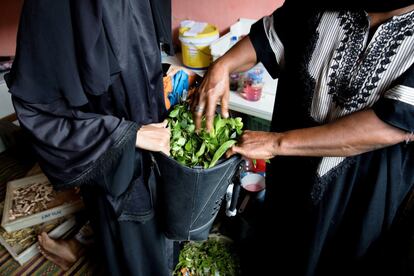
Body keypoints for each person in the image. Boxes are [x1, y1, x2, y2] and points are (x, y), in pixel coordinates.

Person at [192, 1, 414, 275]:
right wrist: (222, 67)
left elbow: (390, 125)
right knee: (279, 250)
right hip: (290, 182)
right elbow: (269, 38)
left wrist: (277, 142)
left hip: (359, 198)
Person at [6, 0, 173, 275]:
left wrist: (161, 81)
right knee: (133, 250)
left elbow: (137, 51)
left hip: (155, 141)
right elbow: (37, 110)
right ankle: (80, 256)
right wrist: (127, 135)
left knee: (160, 239)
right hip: (113, 156)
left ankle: (82, 252)